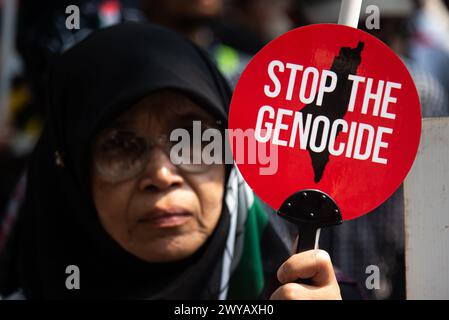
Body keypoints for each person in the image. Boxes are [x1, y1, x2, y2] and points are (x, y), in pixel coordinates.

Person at [0, 23, 342, 299]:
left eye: (194, 140)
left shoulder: (314, 292)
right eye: (121, 145)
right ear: (71, 172)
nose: (162, 175)